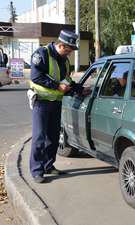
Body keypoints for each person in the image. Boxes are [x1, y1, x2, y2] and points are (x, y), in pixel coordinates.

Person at [29, 30, 90, 183]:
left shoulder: (64, 61)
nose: (69, 54)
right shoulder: (41, 54)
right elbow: (36, 77)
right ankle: (37, 171)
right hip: (41, 102)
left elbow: (67, 81)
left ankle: (49, 165)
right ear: (61, 46)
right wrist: (57, 87)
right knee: (39, 137)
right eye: (68, 50)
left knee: (53, 137)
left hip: (56, 103)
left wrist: (80, 90)